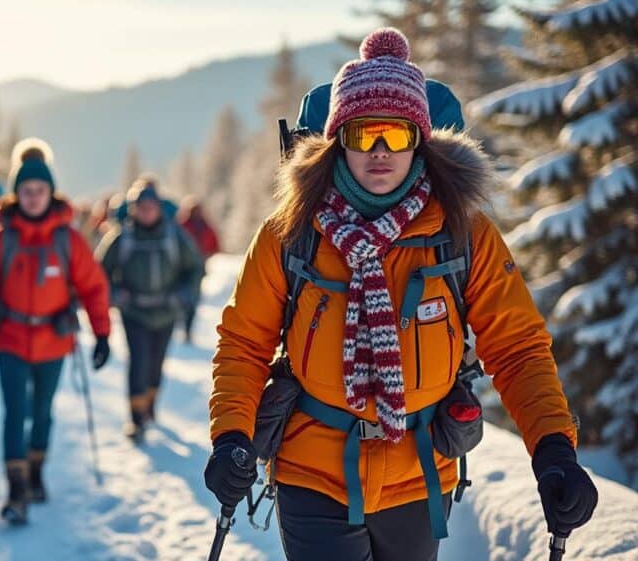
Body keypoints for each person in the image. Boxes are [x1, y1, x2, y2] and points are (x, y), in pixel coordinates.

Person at [204, 28, 598, 561]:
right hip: (311, 471)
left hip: (420, 473)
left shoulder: (462, 233)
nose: (382, 150)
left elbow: (517, 346)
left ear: (422, 139)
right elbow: (244, 344)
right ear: (339, 139)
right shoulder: (291, 232)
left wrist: (554, 448)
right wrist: (231, 435)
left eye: (399, 133)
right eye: (365, 134)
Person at [0, 137, 112, 525]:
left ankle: (35, 473)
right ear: (17, 194)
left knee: (42, 411)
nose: (33, 198)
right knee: (14, 411)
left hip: (54, 340)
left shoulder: (68, 240)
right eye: (27, 191)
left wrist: (102, 334)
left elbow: (93, 286)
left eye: (40, 191)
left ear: (51, 192)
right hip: (11, 339)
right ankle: (16, 490)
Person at [96, 181, 203, 443]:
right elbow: (99, 272)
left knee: (156, 363)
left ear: (158, 208)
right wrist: (114, 294)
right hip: (134, 312)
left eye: (150, 207)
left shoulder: (173, 235)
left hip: (166, 311)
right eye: (140, 207)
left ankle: (150, 404)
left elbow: (195, 267)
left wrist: (185, 295)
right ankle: (136, 417)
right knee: (139, 361)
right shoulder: (122, 237)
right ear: (133, 209)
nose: (145, 212)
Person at [176, 195, 221, 343]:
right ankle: (181, 323)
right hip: (180, 267)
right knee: (181, 297)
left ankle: (187, 327)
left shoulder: (205, 226)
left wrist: (205, 255)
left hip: (197, 268)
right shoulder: (182, 225)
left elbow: (215, 245)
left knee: (192, 298)